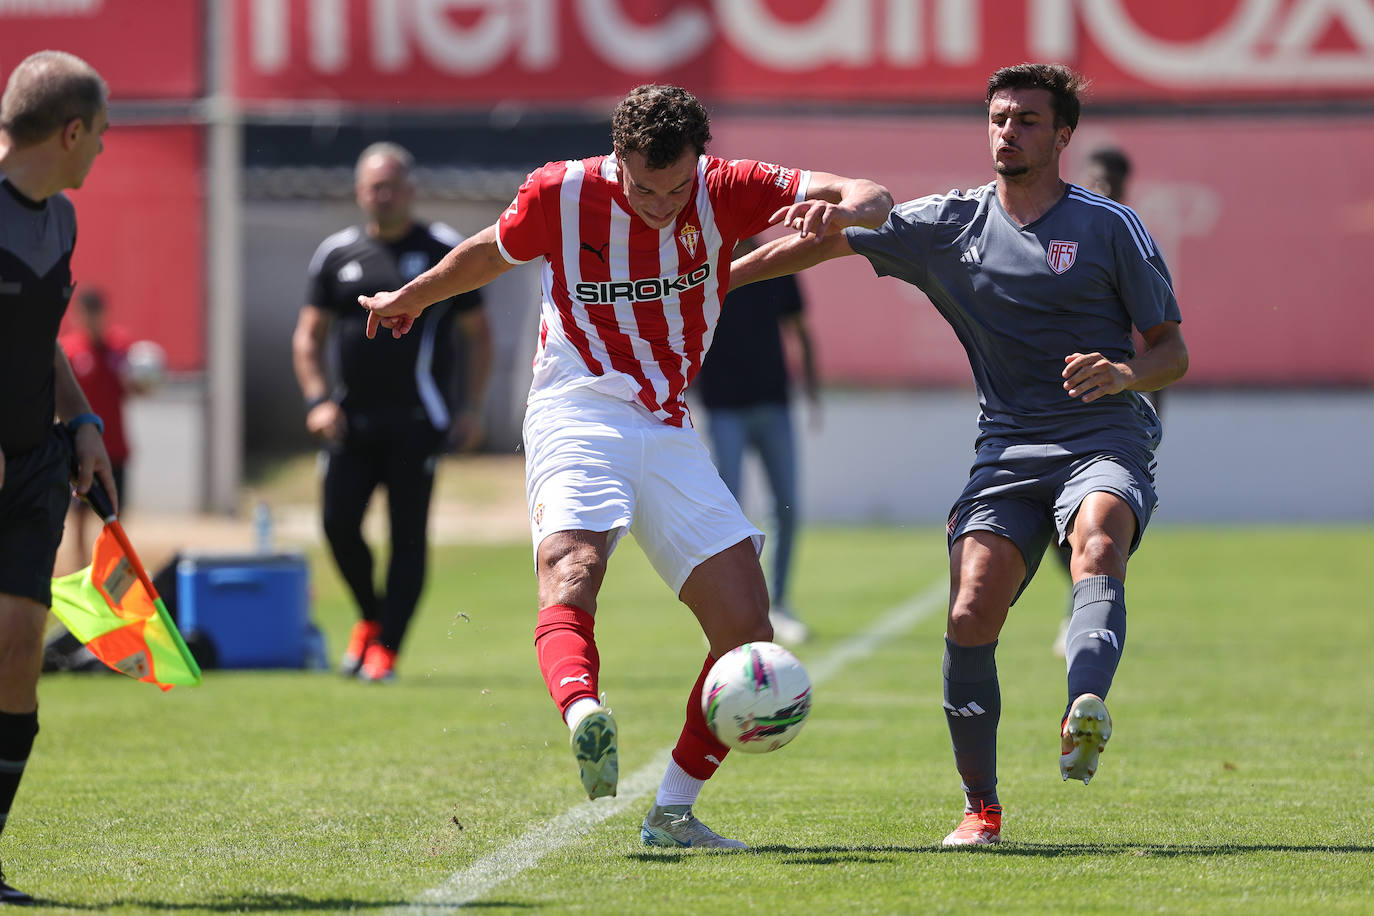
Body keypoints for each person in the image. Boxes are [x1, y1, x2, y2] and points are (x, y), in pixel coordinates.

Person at [359, 84, 892, 848]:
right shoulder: (562, 191)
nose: (659, 202)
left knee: (747, 629)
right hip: (576, 408)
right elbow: (489, 251)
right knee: (573, 565)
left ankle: (672, 811)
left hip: (669, 424)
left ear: (698, 164)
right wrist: (414, 296)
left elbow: (872, 196)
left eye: (675, 188)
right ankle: (585, 713)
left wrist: (840, 209)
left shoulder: (729, 187)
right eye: (644, 187)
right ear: (618, 158)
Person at [731, 63, 1188, 847]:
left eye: (1028, 121)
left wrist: (1122, 372)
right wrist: (713, 284)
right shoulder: (949, 223)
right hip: (1008, 446)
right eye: (999, 117)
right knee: (972, 606)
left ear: (1063, 136)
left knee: (1099, 538)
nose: (1008, 131)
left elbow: (1172, 352)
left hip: (1101, 433)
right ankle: (981, 807)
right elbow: (831, 244)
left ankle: (1085, 706)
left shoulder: (1110, 226)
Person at [292, 142, 491, 684]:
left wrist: (470, 406)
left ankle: (388, 650)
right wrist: (316, 401)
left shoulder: (443, 249)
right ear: (360, 193)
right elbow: (309, 336)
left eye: (392, 185)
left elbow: (478, 335)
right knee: (337, 525)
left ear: (410, 189)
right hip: (349, 421)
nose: (382, 195)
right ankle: (371, 619)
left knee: (407, 537)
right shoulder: (336, 253)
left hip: (417, 422)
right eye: (373, 187)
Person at [0, 49, 115, 905]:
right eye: (100, 136)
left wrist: (82, 423)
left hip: (35, 461)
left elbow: (39, 336)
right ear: (71, 131)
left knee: (15, 656)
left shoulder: (63, 221)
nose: (103, 152)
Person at [694, 237, 818, 646]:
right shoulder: (703, 267)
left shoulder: (779, 261)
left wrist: (813, 391)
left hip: (773, 404)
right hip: (723, 407)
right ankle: (734, 611)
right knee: (728, 517)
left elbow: (799, 329)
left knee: (786, 507)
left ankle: (779, 605)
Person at [57, 288, 147, 564]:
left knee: (114, 516)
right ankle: (81, 566)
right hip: (79, 448)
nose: (92, 320)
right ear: (78, 316)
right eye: (87, 314)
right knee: (80, 514)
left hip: (114, 447)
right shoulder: (68, 351)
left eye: (97, 314)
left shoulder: (121, 349)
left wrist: (144, 382)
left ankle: (112, 572)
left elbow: (136, 388)